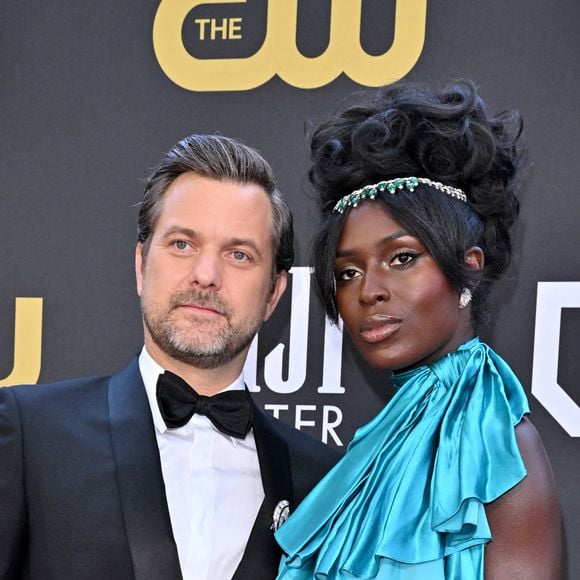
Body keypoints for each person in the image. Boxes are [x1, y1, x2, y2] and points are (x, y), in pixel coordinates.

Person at [0, 134, 341, 580]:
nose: (206, 275)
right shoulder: (31, 434)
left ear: (274, 294)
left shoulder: (324, 481)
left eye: (239, 254)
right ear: (141, 265)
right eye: (183, 244)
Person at [275, 81, 561, 578]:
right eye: (348, 272)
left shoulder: (496, 447)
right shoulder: (385, 439)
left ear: (468, 268)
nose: (369, 291)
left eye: (402, 258)